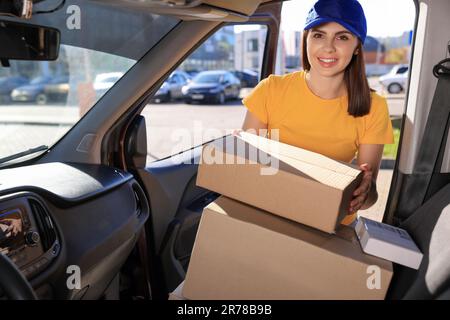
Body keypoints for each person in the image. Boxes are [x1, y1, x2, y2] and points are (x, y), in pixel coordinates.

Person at [240, 0, 394, 226]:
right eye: (319, 35)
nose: (328, 47)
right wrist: (236, 152)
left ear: (357, 46)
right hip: (270, 211)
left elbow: (370, 198)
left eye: (342, 37)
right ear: (306, 40)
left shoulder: (374, 107)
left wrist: (364, 191)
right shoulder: (270, 90)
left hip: (330, 223)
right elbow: (246, 167)